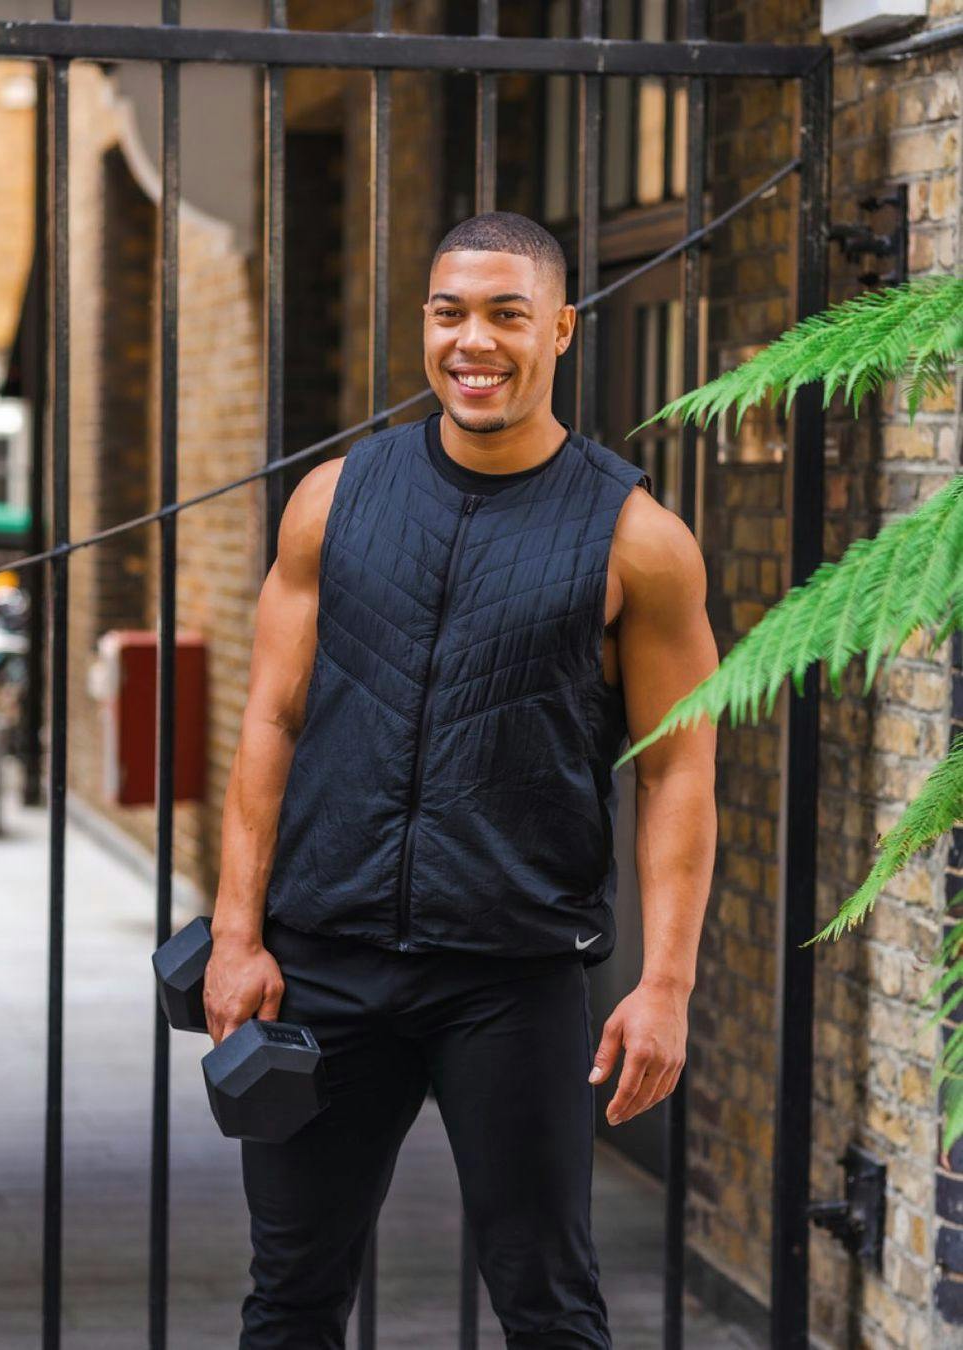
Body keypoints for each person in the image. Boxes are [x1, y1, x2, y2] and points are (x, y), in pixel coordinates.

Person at [206, 211, 718, 1349]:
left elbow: (681, 766)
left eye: (505, 314)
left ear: (563, 331)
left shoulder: (637, 539)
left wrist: (668, 983)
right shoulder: (334, 501)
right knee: (288, 1299)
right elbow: (272, 717)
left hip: (512, 979)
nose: (472, 342)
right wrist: (239, 933)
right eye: (450, 313)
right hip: (322, 967)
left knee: (548, 1303)